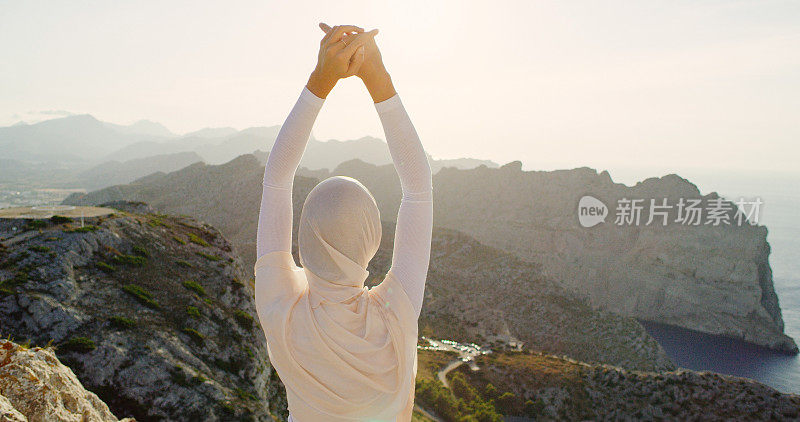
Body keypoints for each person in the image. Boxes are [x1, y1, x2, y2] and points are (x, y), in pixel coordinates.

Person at [254, 23, 434, 422]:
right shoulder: (395, 316)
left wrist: (321, 80)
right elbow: (419, 190)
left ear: (300, 239)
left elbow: (277, 181)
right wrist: (376, 76)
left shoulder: (281, 310)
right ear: (373, 241)